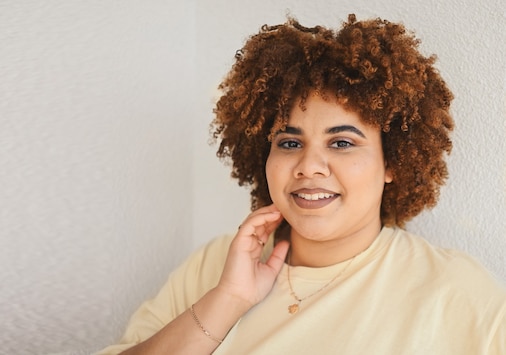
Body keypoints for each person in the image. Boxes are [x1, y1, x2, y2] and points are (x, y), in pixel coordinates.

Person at [97, 14, 506, 354]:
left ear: (392, 162)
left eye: (342, 142)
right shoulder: (212, 266)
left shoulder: (457, 293)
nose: (309, 166)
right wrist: (228, 300)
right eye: (289, 142)